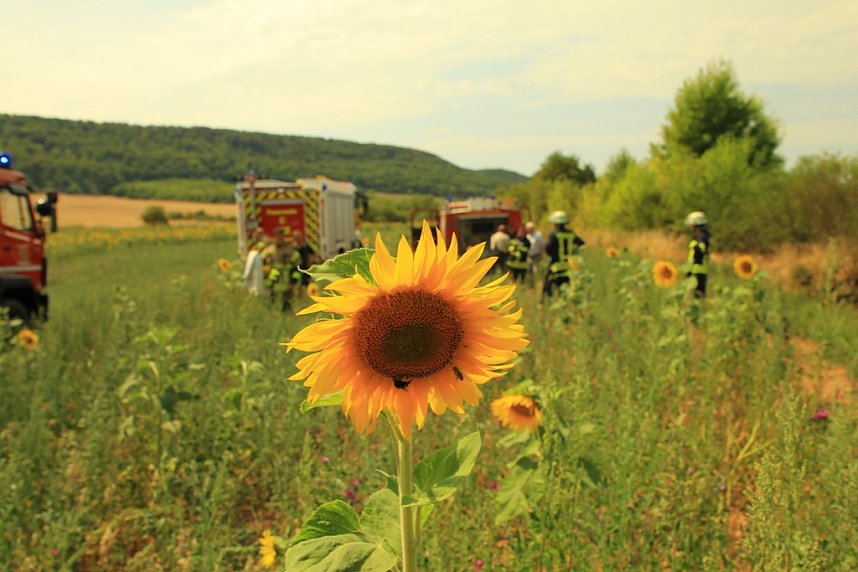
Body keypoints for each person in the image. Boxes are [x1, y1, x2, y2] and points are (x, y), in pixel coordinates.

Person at [542, 210, 585, 301]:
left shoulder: (554, 234)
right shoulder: (571, 234)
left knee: (547, 284)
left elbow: (548, 249)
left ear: (556, 223)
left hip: (555, 265)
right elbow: (581, 243)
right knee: (565, 288)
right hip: (568, 267)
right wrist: (574, 253)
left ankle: (543, 303)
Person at [262, 228, 301, 311]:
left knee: (287, 305)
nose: (280, 238)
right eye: (278, 236)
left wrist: (293, 281)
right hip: (273, 282)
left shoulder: (290, 250)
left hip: (287, 282)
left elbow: (297, 267)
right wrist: (266, 278)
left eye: (282, 236)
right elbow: (262, 265)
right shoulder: (269, 250)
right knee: (270, 304)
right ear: (275, 237)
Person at [685, 211, 710, 298]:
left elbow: (701, 249)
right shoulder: (698, 236)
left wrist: (694, 245)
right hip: (694, 269)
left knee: (698, 296)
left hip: (698, 271)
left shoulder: (702, 237)